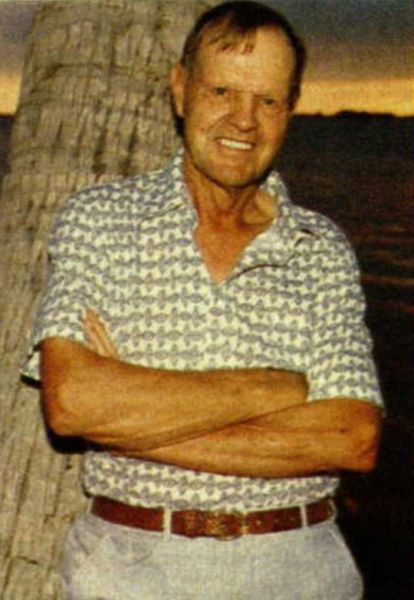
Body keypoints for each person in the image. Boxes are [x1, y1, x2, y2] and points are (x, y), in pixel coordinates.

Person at [23, 2, 383, 598]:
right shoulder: (100, 221)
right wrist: (273, 387)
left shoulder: (319, 247)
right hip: (129, 569)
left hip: (298, 568)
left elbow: (351, 438)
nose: (244, 119)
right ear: (180, 90)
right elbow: (72, 403)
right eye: (222, 91)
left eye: (267, 100)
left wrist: (129, 422)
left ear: (290, 108)